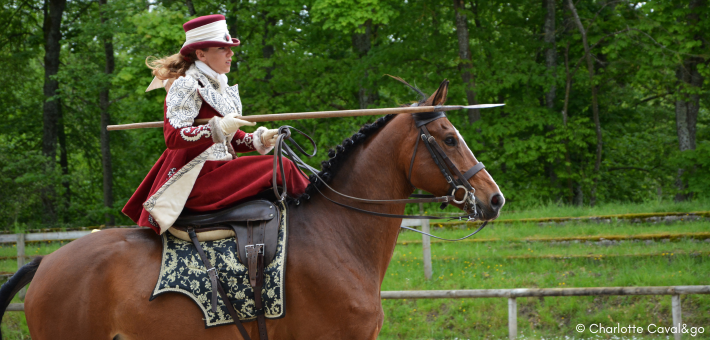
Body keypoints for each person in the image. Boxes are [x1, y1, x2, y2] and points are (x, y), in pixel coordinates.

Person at [122, 14, 310, 235]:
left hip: (219, 170)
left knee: (279, 163)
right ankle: (320, 215)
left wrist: (258, 139)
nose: (231, 53)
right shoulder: (186, 85)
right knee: (282, 167)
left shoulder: (218, 85)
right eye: (222, 48)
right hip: (195, 179)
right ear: (201, 54)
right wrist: (219, 128)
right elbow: (173, 137)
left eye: (229, 48)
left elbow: (230, 139)